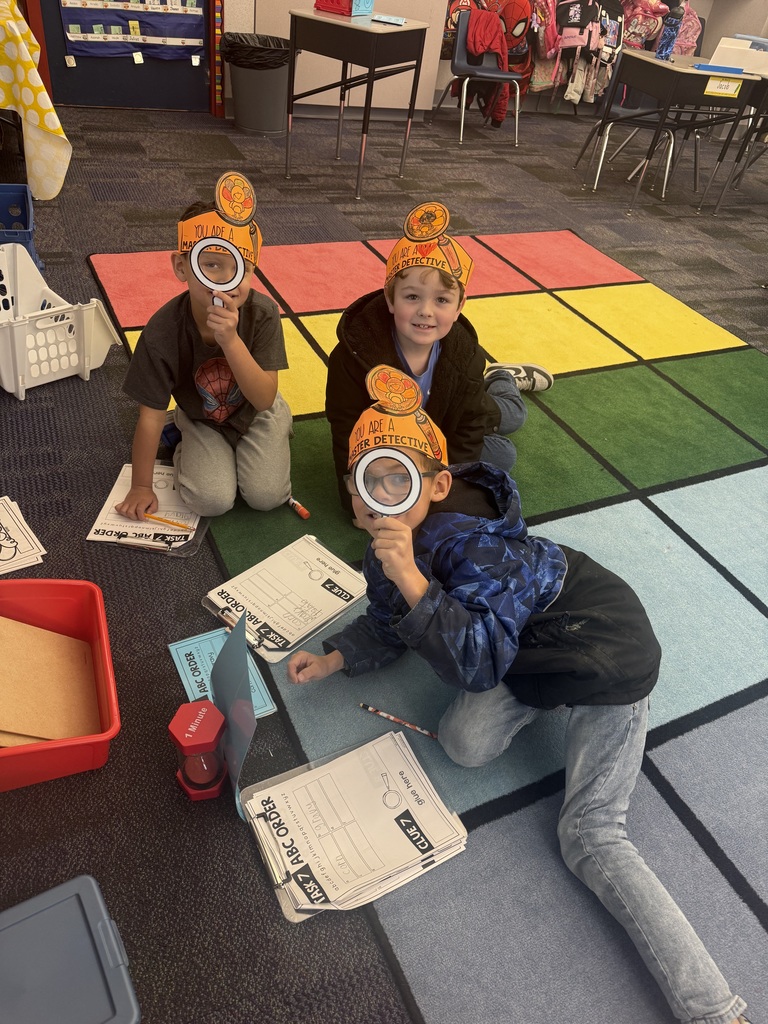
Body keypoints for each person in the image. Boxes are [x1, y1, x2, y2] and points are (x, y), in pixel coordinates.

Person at [289, 365, 751, 1024]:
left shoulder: (478, 547)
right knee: (463, 743)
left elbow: (473, 663)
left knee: (591, 836)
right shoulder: (390, 543)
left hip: (604, 651)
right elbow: (395, 615)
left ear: (439, 483)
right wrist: (339, 653)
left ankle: (715, 1009)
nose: (379, 497)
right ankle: (543, 700)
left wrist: (415, 582)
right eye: (366, 479)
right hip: (523, 653)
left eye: (398, 478)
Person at [325, 200, 553, 516]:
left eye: (442, 300)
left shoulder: (464, 354)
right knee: (498, 455)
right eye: (412, 297)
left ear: (459, 307)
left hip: (451, 422)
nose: (426, 311)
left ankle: (502, 379)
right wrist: (356, 503)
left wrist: (442, 488)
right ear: (390, 299)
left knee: (509, 434)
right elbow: (345, 430)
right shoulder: (352, 356)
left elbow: (471, 426)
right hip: (404, 442)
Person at [116, 172, 292, 521]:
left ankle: (279, 426)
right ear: (182, 267)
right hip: (201, 416)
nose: (226, 282)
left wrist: (230, 340)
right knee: (211, 501)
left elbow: (263, 399)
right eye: (211, 264)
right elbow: (149, 417)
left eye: (238, 268)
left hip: (257, 410)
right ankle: (184, 435)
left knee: (266, 496)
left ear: (252, 269)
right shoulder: (162, 330)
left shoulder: (263, 313)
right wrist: (140, 486)